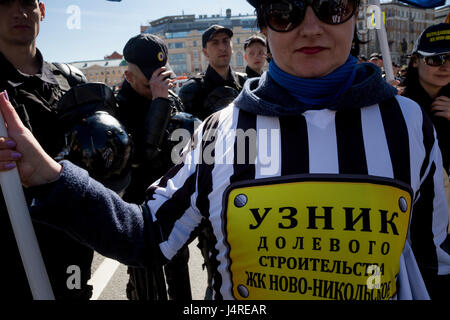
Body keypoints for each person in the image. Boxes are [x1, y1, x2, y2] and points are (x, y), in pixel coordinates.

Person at [1, 0, 450, 300]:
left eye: (332, 6)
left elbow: (434, 261)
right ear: (264, 24)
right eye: (286, 10)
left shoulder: (408, 124)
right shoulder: (222, 130)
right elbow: (149, 234)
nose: (310, 27)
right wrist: (49, 175)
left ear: (354, 14)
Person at [0, 0, 94, 299]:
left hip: (71, 245)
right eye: (5, 3)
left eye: (27, 2)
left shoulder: (72, 81)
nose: (19, 12)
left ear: (42, 10)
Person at [116, 33, 195, 300]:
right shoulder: (116, 105)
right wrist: (159, 103)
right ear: (128, 76)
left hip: (172, 201)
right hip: (137, 208)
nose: (158, 85)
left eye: (161, 75)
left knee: (180, 275)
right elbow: (139, 156)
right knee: (148, 285)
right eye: (150, 80)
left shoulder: (171, 97)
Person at [402, 23, 450, 276]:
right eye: (437, 59)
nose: (446, 66)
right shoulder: (398, 107)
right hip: (413, 241)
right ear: (415, 62)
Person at [178, 25, 247, 120]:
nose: (222, 48)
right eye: (215, 43)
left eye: (225, 41)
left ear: (232, 47)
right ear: (205, 52)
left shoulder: (245, 83)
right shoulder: (191, 90)